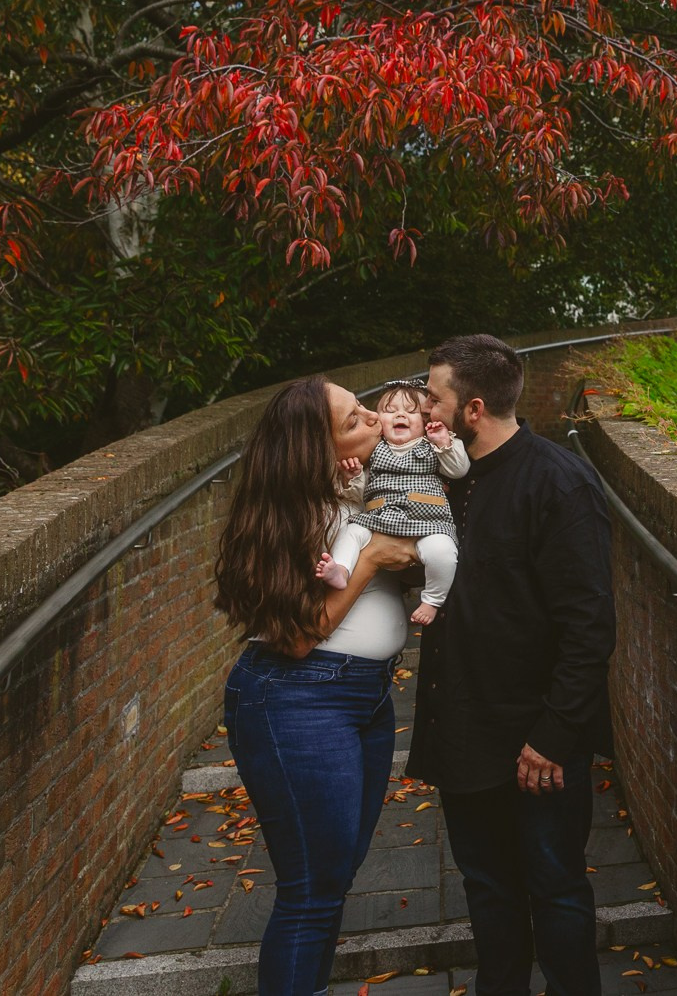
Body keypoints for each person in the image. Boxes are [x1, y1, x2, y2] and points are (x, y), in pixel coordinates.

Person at [413, 334, 616, 996]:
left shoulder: (559, 481)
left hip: (538, 744)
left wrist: (554, 735)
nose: (424, 406)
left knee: (555, 891)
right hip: (466, 733)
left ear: (473, 408)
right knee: (490, 893)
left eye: (434, 394)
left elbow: (590, 627)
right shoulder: (444, 478)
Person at [214, 376, 421, 996]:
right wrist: (372, 563)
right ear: (313, 448)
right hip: (299, 696)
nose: (375, 421)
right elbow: (301, 636)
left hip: (366, 697)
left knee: (334, 876)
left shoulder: (354, 500)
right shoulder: (287, 518)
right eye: (355, 419)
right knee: (311, 891)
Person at [322, 381, 467, 625]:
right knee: (351, 532)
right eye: (389, 411)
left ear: (424, 421)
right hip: (381, 519)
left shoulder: (433, 445)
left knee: (443, 551)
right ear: (379, 421)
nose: (400, 415)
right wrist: (353, 478)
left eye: (411, 412)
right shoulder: (375, 452)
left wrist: (444, 443)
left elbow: (458, 470)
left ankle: (432, 600)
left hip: (428, 522)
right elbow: (361, 497)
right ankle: (341, 569)